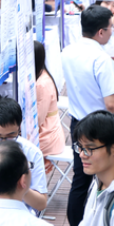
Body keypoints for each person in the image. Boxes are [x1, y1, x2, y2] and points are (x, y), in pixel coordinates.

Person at [62, 6, 114, 226]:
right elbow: (111, 103)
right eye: (110, 28)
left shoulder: (68, 51)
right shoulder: (101, 58)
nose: (112, 32)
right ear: (100, 32)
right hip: (100, 128)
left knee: (80, 181)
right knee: (108, 177)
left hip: (77, 123)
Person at [34, 41, 66, 171]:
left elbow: (38, 119)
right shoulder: (42, 76)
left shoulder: (42, 84)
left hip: (47, 136)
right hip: (49, 132)